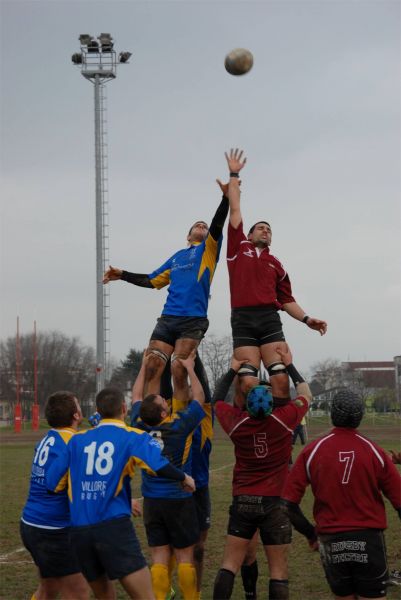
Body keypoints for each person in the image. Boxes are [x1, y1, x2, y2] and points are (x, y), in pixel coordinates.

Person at [46, 386, 195, 600]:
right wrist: (184, 478)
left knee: (105, 596)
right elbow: (158, 465)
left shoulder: (76, 440)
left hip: (79, 533)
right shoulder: (133, 436)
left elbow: (52, 483)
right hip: (113, 528)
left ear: (97, 410)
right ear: (124, 409)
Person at [103, 191, 229, 403]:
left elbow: (218, 224)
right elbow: (151, 280)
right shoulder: (176, 258)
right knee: (152, 365)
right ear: (188, 236)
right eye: (197, 225)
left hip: (192, 320)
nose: (202, 226)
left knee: (179, 368)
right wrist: (123, 275)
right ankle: (154, 417)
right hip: (168, 319)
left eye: (204, 226)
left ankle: (178, 422)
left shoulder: (208, 250)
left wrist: (225, 198)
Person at [223, 148, 327, 400]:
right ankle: (244, 430)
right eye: (260, 227)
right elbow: (234, 210)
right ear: (249, 235)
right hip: (243, 319)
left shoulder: (276, 264)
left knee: (280, 380)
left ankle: (279, 432)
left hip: (269, 320)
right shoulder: (238, 248)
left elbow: (287, 300)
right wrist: (234, 174)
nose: (265, 230)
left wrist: (306, 319)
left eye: (269, 229)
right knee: (246, 380)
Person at [212, 344, 312, 600]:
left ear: (246, 403)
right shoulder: (284, 419)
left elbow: (216, 402)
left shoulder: (237, 424)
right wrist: (289, 365)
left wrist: (233, 370)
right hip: (274, 503)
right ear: (271, 404)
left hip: (243, 500)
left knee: (229, 564)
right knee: (278, 570)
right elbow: (306, 395)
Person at [281, 389, 401, 600]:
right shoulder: (375, 451)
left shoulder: (312, 451)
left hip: (331, 540)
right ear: (360, 416)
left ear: (333, 414)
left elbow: (287, 504)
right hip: (369, 539)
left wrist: (310, 534)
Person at [131, 351, 206, 600]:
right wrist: (190, 368)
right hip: (179, 500)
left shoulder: (138, 426)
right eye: (164, 401)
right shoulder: (178, 425)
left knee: (159, 557)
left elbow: (136, 396)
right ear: (164, 413)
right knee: (185, 555)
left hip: (152, 502)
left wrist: (144, 367)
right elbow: (200, 397)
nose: (166, 400)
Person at [20, 391, 89, 600]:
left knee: (48, 589)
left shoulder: (48, 438)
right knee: (78, 592)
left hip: (31, 524)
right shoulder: (75, 442)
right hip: (53, 529)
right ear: (76, 415)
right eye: (78, 405)